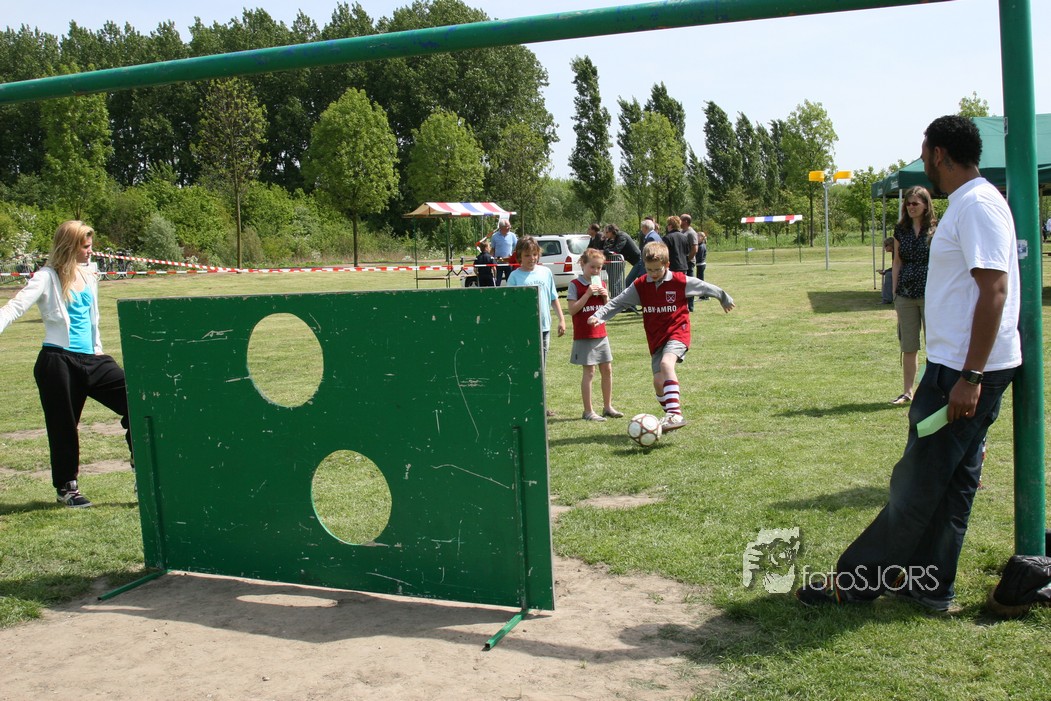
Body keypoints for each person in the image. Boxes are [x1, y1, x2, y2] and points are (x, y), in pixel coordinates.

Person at [796, 115, 1021, 614]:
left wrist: (972, 376)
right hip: (960, 366)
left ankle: (852, 584)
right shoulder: (970, 203)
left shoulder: (977, 204)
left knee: (916, 482)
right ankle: (929, 585)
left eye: (924, 152)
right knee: (953, 483)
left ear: (939, 153)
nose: (922, 161)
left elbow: (995, 290)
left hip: (965, 371)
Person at [0, 221, 133, 508]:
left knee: (137, 401)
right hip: (57, 361)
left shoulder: (90, 273)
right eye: (85, 246)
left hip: (94, 360)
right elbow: (14, 308)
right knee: (64, 428)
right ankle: (67, 489)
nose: (90, 251)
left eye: (90, 245)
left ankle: (142, 469)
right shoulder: (46, 277)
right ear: (69, 247)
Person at [588, 241, 735, 431]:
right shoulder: (641, 285)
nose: (653, 273)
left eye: (657, 269)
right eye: (649, 269)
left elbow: (705, 287)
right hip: (656, 338)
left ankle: (674, 414)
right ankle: (670, 418)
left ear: (667, 265)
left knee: (667, 364)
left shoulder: (680, 281)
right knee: (658, 383)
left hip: (678, 332)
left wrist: (723, 297)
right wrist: (598, 315)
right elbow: (619, 302)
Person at [889, 186, 936, 405]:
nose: (910, 207)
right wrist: (894, 292)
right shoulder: (900, 230)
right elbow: (897, 262)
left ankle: (935, 391)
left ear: (926, 205)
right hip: (905, 294)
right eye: (907, 203)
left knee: (934, 345)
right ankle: (908, 392)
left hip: (931, 293)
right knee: (908, 345)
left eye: (915, 203)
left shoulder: (936, 229)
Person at [567, 248, 623, 422]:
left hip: (601, 334)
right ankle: (588, 411)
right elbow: (572, 310)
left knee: (607, 369)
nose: (596, 271)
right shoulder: (575, 285)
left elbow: (608, 311)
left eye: (599, 268)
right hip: (584, 335)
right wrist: (587, 294)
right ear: (583, 264)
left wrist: (606, 298)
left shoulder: (602, 284)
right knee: (589, 372)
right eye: (592, 267)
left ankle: (608, 407)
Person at [506, 235, 567, 372]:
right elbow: (510, 304)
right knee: (524, 365)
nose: (532, 258)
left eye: (534, 254)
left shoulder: (546, 272)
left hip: (543, 327)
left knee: (541, 368)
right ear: (520, 256)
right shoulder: (514, 276)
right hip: (523, 328)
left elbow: (553, 297)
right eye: (527, 255)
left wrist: (562, 320)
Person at [664, 216, 694, 311]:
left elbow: (664, 254)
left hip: (672, 266)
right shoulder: (684, 237)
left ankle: (673, 307)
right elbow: (687, 251)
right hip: (684, 266)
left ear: (670, 225)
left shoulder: (667, 237)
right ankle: (684, 306)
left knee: (671, 290)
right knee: (682, 288)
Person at [626, 218, 662, 286]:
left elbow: (650, 254)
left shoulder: (651, 237)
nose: (641, 229)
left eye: (642, 227)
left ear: (646, 228)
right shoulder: (654, 235)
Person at [490, 219, 517, 287]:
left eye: (509, 225)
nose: (509, 227)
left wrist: (513, 257)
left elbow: (517, 248)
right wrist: (491, 261)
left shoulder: (513, 236)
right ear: (501, 227)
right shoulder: (494, 236)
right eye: (507, 226)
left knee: (510, 282)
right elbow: (492, 249)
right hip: (498, 262)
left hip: (509, 263)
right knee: (497, 282)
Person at [877, 237, 895, 304]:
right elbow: (895, 267)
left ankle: (887, 299)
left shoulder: (897, 253)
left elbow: (898, 267)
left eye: (886, 245)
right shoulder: (894, 253)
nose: (885, 248)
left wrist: (885, 272)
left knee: (888, 275)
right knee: (888, 274)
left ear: (891, 245)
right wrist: (885, 271)